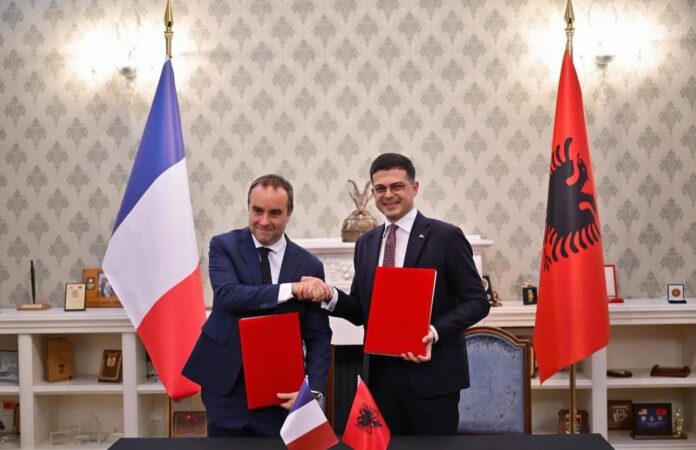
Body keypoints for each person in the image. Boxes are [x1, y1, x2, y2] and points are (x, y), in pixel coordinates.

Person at [303, 153, 490, 435]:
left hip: (433, 378)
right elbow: (361, 310)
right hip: (380, 380)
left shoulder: (446, 237)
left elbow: (477, 302)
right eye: (380, 188)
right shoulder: (366, 243)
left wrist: (433, 332)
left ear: (414, 188)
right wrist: (329, 295)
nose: (388, 195)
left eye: (397, 186)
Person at [182, 174, 332, 437]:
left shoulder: (310, 266)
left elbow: (318, 336)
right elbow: (229, 296)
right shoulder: (224, 246)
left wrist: (313, 389)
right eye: (257, 210)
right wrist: (291, 289)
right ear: (248, 208)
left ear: (289, 213)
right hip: (226, 383)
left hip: (281, 389)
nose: (264, 221)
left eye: (275, 213)